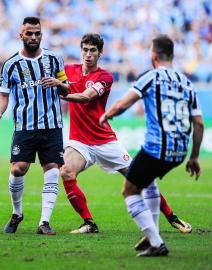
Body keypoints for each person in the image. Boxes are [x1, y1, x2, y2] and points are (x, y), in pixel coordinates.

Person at [61, 33, 192, 235]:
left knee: (141, 178)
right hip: (79, 141)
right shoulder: (69, 70)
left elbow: (86, 97)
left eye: (93, 50)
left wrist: (60, 91)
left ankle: (172, 217)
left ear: (100, 53)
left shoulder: (104, 77)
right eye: (85, 50)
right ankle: (89, 223)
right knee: (66, 171)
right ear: (81, 50)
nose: (88, 54)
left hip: (105, 140)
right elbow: (51, 78)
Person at [99, 34, 204, 256]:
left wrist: (106, 115)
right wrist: (194, 157)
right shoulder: (187, 82)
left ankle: (156, 242)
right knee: (148, 183)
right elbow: (199, 124)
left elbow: (123, 104)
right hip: (179, 151)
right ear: (172, 55)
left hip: (157, 148)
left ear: (153, 55)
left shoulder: (151, 77)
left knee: (129, 190)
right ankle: (152, 235)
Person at [0, 17, 69, 235]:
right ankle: (17, 213)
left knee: (53, 170)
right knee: (18, 169)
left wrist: (58, 84)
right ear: (21, 35)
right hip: (25, 126)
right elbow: (3, 97)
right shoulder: (11, 65)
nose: (33, 37)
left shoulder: (54, 60)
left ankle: (44, 222)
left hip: (52, 125)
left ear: (41, 35)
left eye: (37, 33)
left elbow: (68, 90)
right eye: (29, 33)